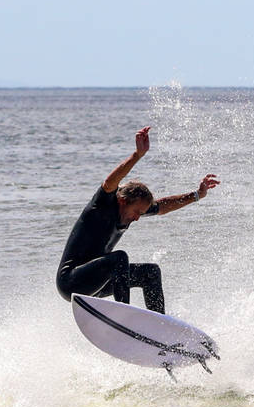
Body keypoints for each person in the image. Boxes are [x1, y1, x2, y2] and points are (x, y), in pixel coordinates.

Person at [56, 126, 219, 314]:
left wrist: (197, 195)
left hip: (100, 281)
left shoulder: (132, 211)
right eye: (136, 212)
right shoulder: (103, 203)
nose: (137, 218)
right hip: (71, 281)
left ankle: (158, 324)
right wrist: (138, 155)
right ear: (123, 200)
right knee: (120, 258)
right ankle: (124, 315)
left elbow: (163, 206)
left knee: (150, 272)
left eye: (141, 214)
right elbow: (110, 182)